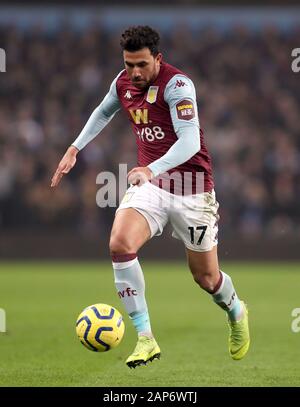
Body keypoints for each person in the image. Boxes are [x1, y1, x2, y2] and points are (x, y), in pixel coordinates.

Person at [51, 25, 250, 368]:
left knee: (206, 278)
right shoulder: (123, 82)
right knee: (119, 243)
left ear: (158, 59)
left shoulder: (178, 85)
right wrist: (74, 147)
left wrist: (150, 169)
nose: (135, 72)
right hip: (153, 187)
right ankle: (145, 338)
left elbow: (189, 143)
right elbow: (102, 111)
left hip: (192, 189)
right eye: (129, 65)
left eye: (142, 64)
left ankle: (235, 309)